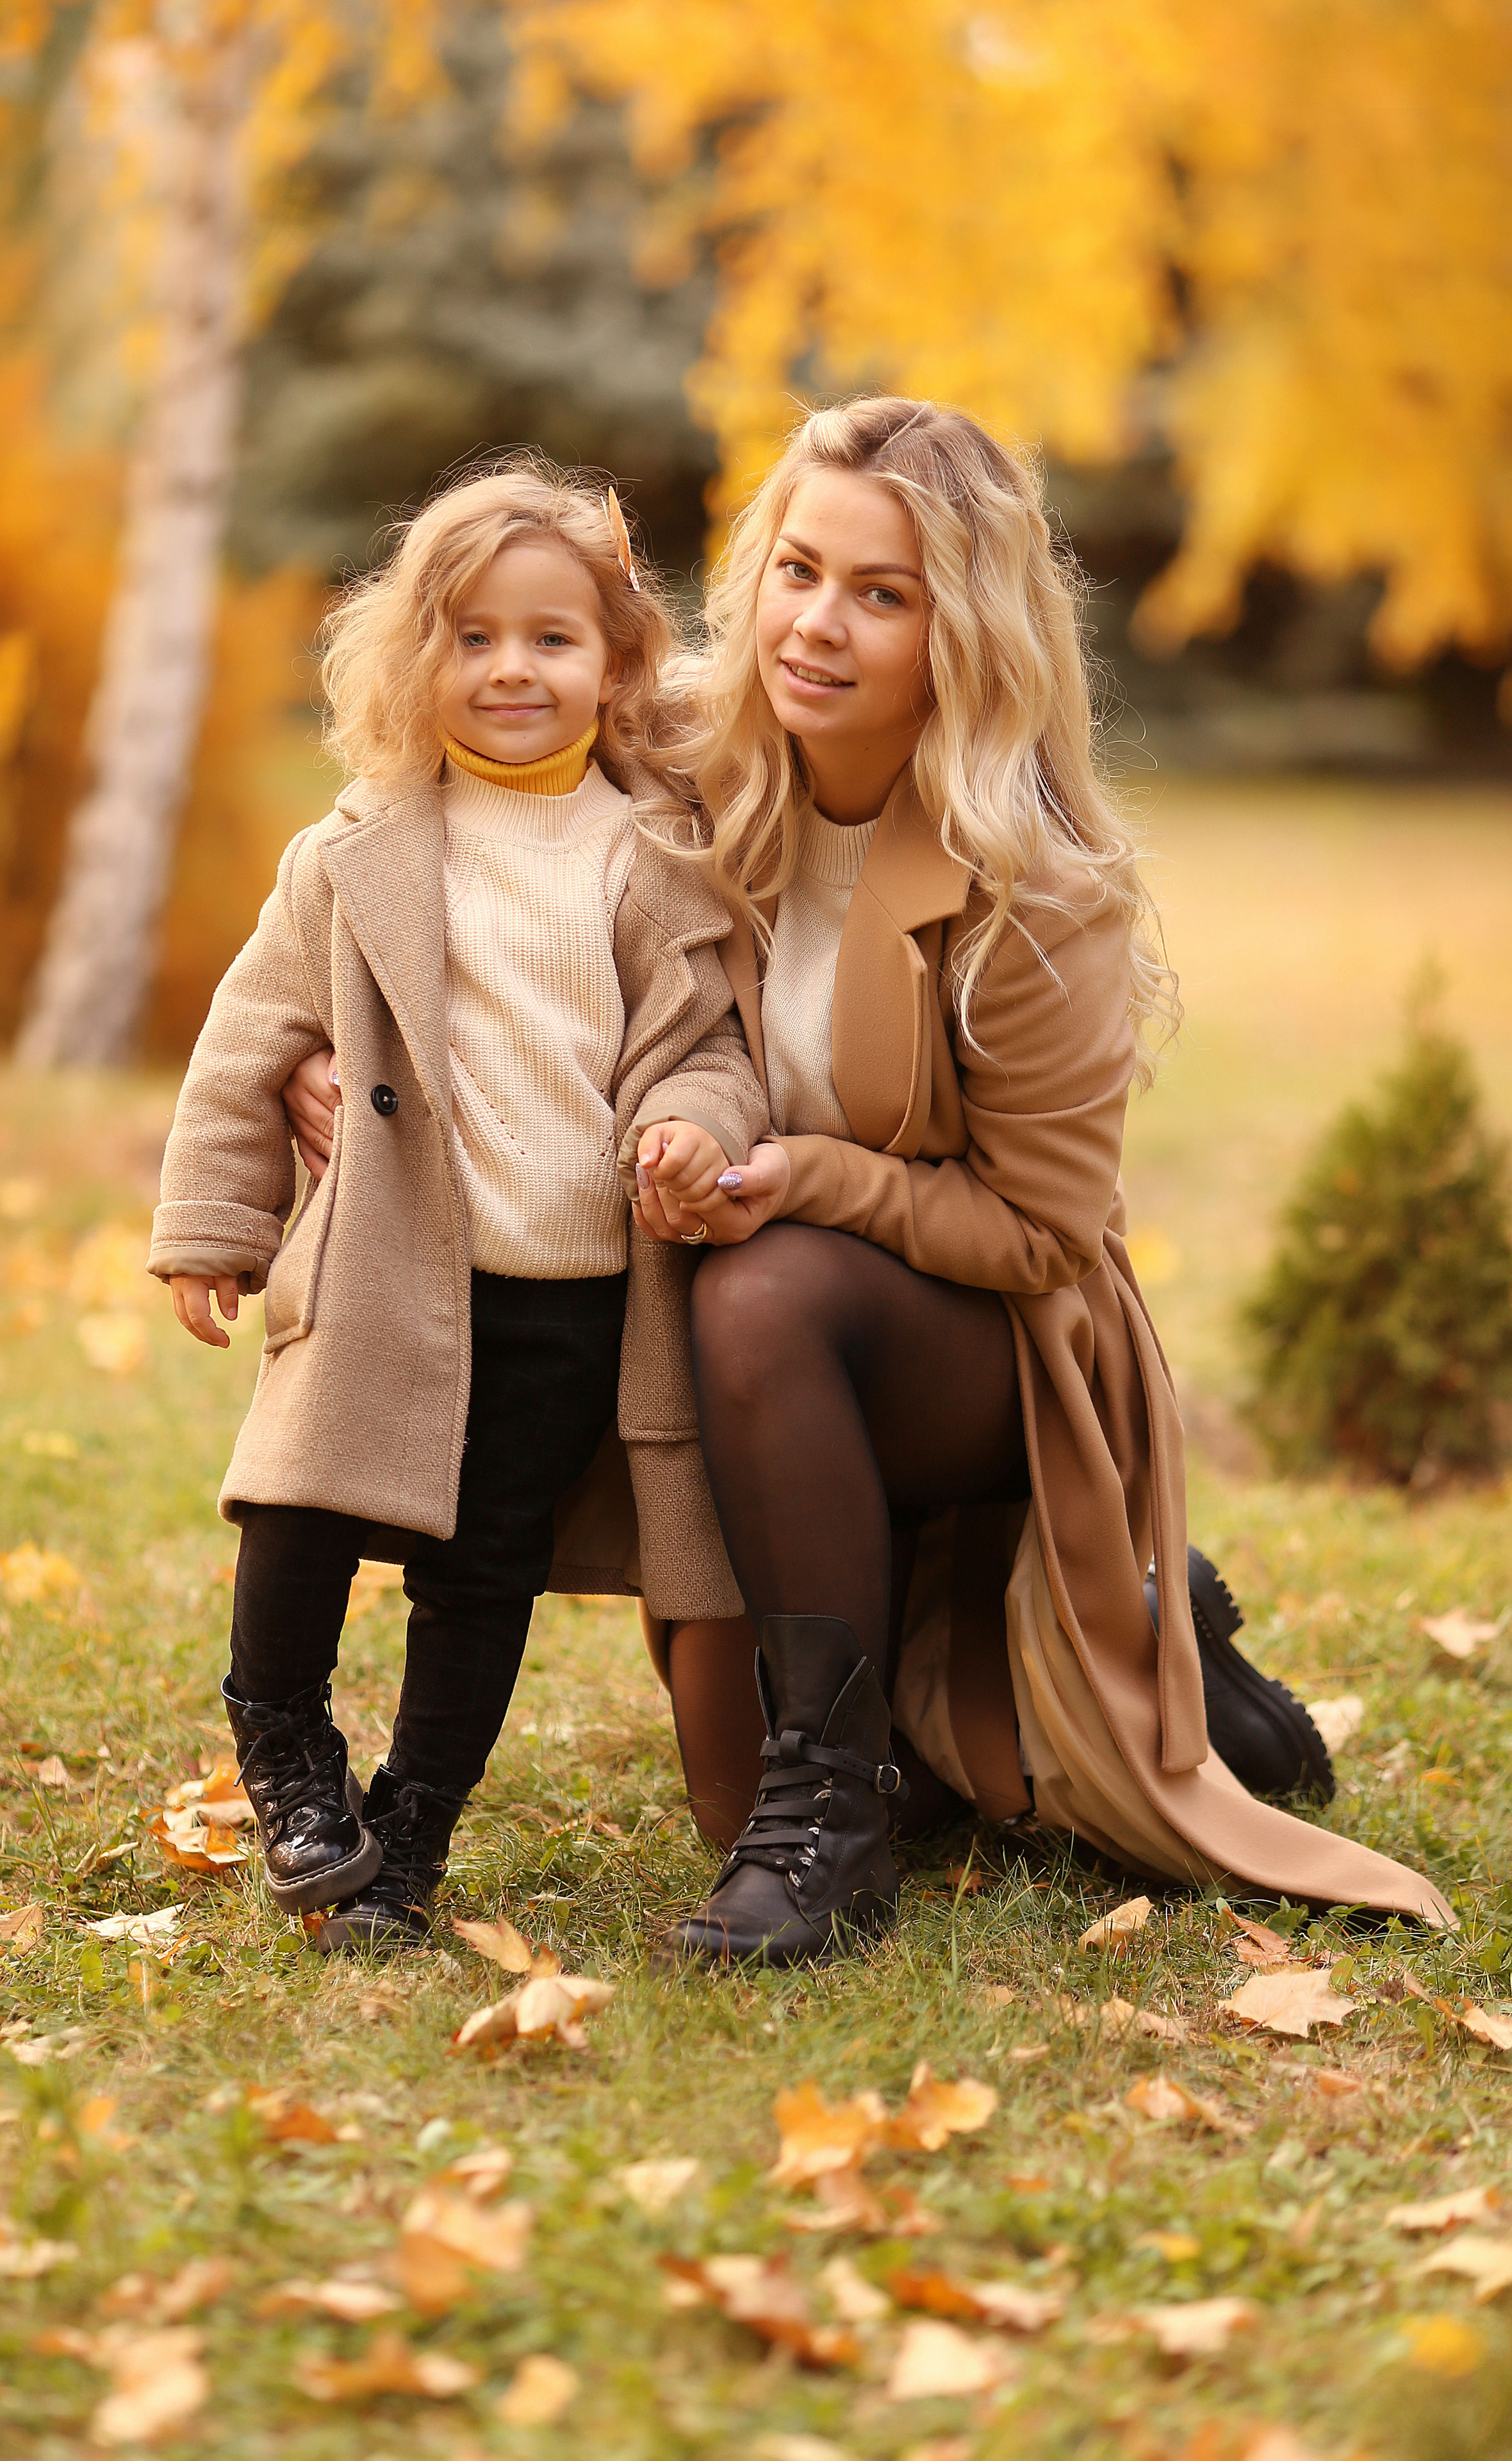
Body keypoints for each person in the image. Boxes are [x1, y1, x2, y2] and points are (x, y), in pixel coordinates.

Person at [618, 397, 1452, 1959]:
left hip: (1002, 1341)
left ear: (963, 633)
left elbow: (1040, 1231)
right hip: (781, 1325)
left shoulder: (1034, 884)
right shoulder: (690, 762)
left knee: (760, 1290)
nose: (816, 626)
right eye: (798, 570)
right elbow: (457, 812)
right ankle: (1144, 1634)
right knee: (834, 1771)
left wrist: (809, 1176)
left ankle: (831, 1820)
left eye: (881, 594)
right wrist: (312, 1051)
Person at [148, 462, 766, 1954]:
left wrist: (691, 1126)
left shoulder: (650, 857)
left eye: (551, 639)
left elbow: (705, 1047)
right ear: (413, 657)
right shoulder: (356, 852)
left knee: (483, 1567)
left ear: (615, 664)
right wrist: (215, 1225)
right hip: (383, 1262)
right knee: (297, 1505)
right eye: (471, 637)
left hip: (569, 1290)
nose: (509, 669)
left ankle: (413, 1823)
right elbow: (248, 1038)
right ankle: (284, 1746)